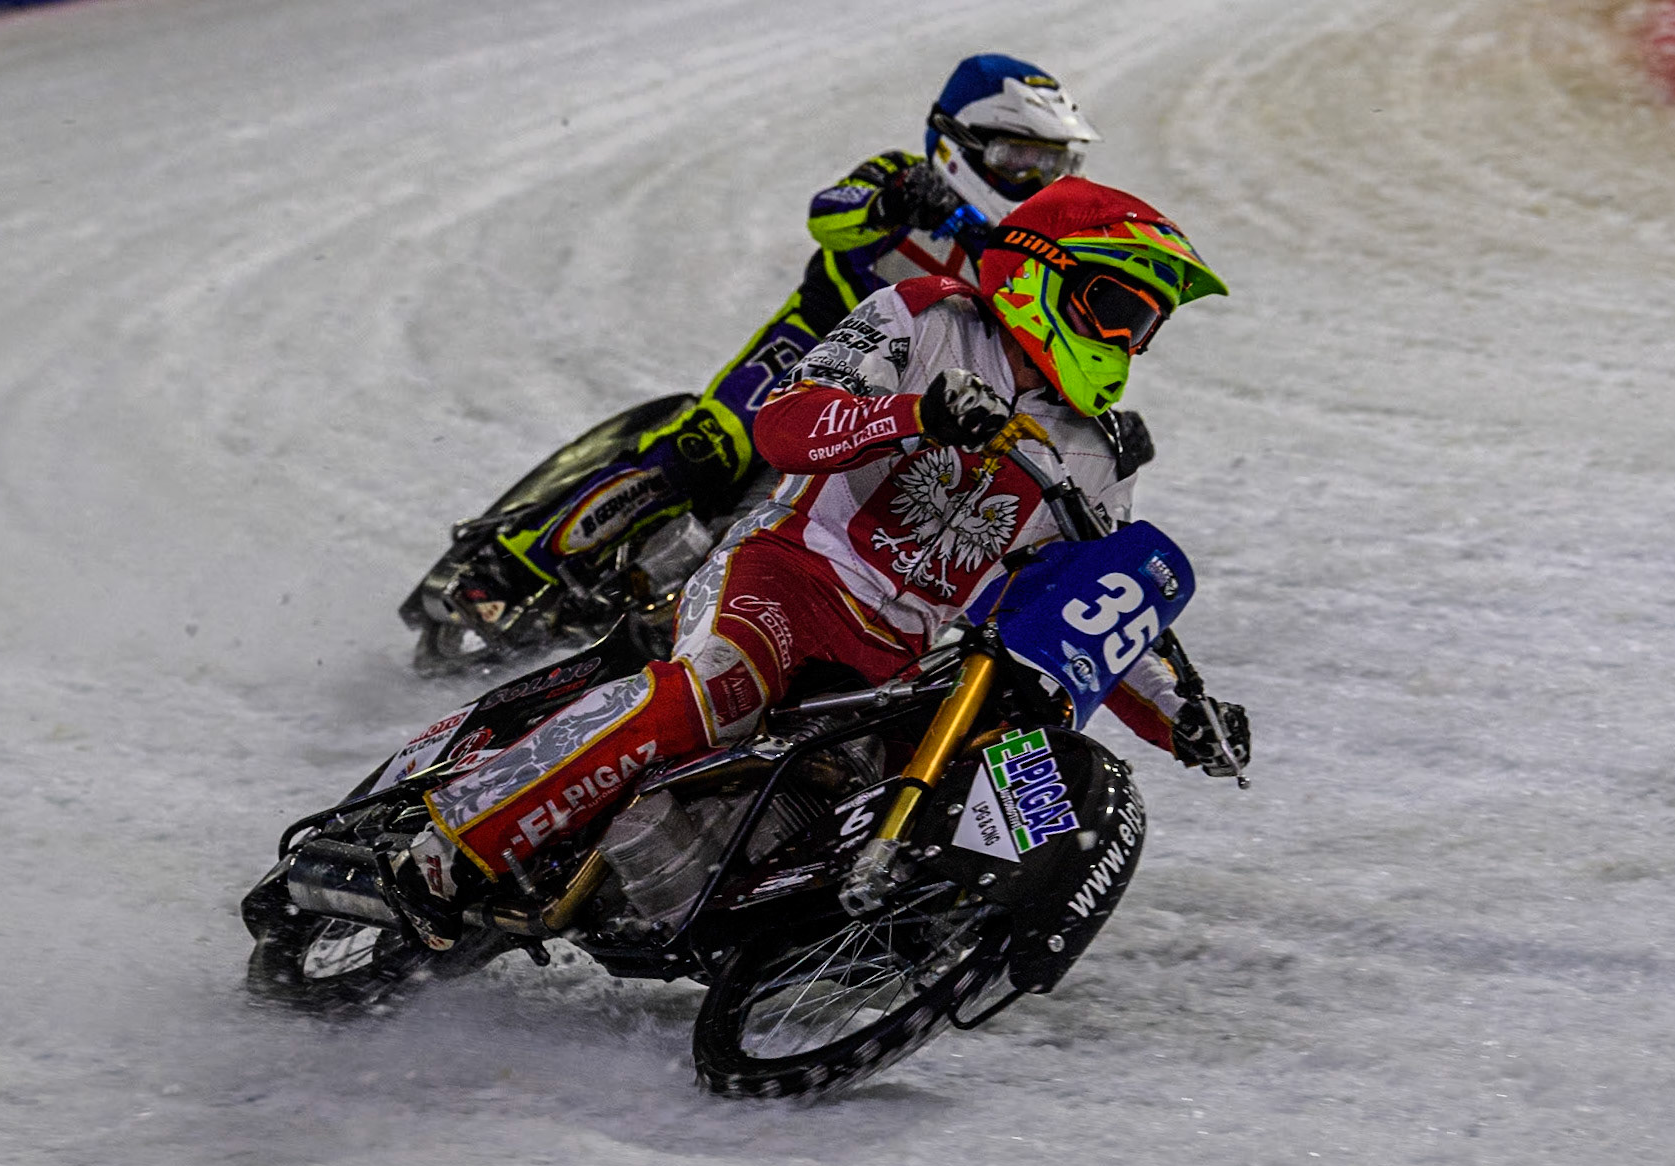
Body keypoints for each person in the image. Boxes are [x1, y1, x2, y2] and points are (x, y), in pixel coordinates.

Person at [380, 177, 1251, 949]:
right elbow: (787, 425)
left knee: (963, 763)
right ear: (1040, 271)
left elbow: (1083, 606)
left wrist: (1180, 715)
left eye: (1146, 328)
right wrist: (915, 414)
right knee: (715, 690)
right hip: (790, 572)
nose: (1127, 343)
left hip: (898, 655)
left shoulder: (1099, 455)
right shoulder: (924, 317)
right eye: (1116, 310)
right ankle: (452, 845)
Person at [493, 53, 1106, 594]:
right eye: (1020, 157)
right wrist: (894, 202)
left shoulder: (1023, 254)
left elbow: (1044, 342)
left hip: (904, 393)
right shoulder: (900, 175)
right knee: (706, 447)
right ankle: (512, 566)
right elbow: (827, 216)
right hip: (811, 342)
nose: (1036, 179)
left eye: (1053, 164)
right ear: (959, 142)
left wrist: (1094, 422)